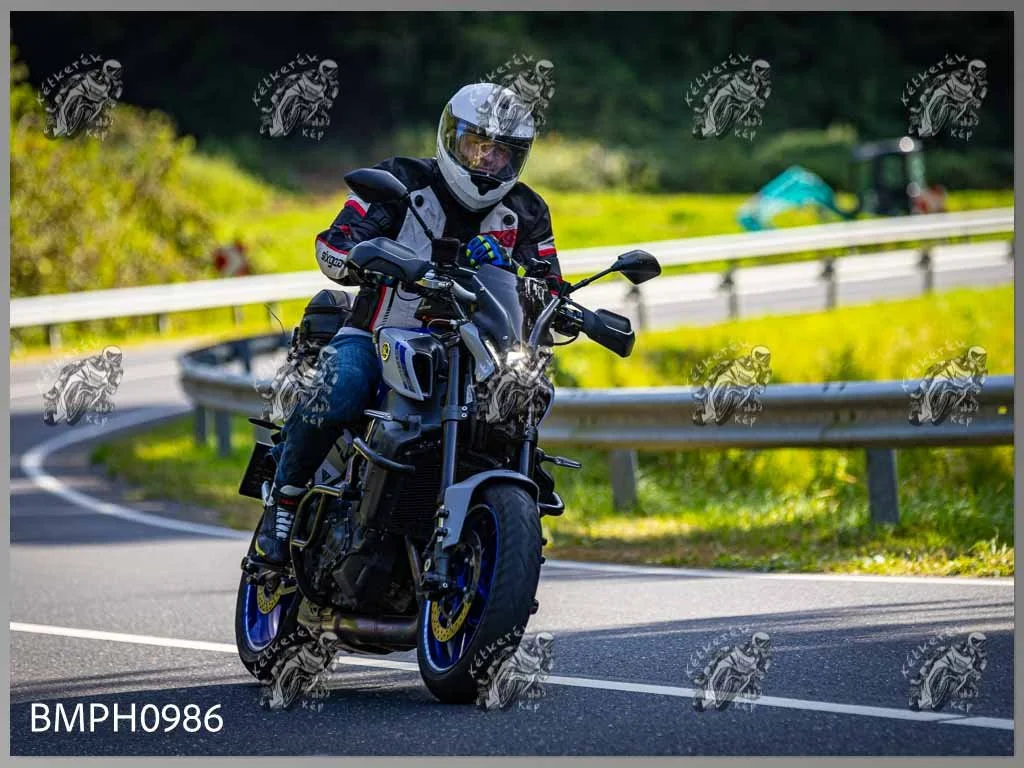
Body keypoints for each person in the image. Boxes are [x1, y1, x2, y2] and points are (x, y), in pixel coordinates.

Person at [253, 82, 563, 564]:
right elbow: (334, 241)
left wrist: (516, 269)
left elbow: (550, 285)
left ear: (518, 158)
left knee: (522, 403)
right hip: (378, 335)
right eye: (477, 146)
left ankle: (501, 531)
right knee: (341, 388)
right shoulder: (399, 180)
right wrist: (366, 258)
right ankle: (285, 501)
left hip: (479, 353)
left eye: (501, 153)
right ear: (451, 139)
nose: (487, 161)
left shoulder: (527, 211)